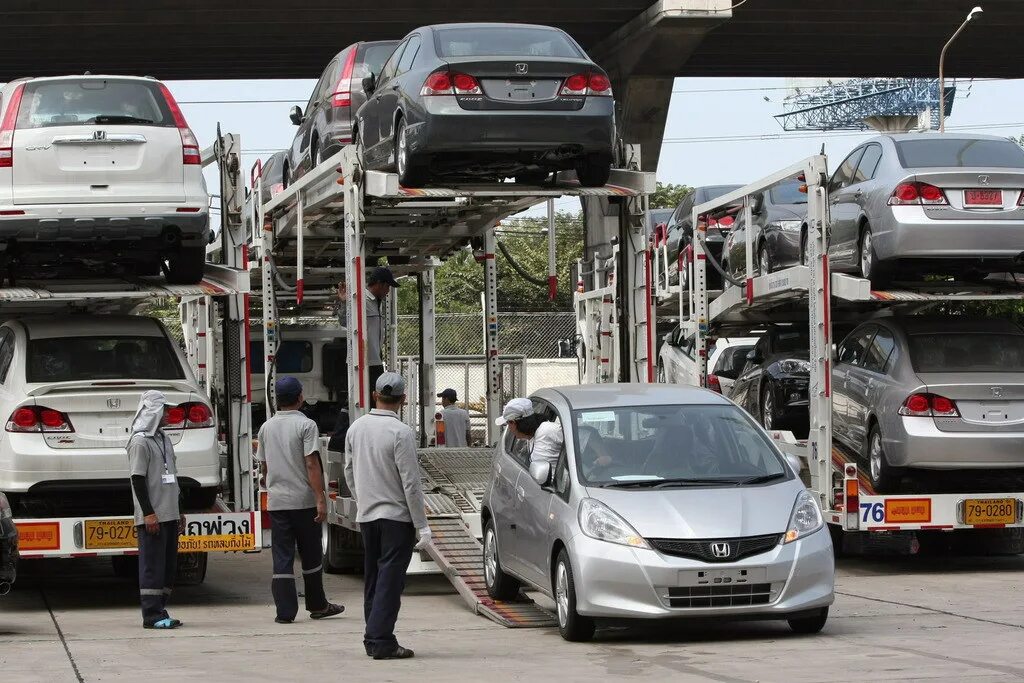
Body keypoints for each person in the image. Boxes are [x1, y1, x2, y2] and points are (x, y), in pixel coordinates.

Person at [344, 372, 430, 660]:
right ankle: (381, 640)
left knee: (374, 578)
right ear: (403, 400)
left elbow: (348, 471)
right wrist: (422, 525)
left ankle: (373, 636)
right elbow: (411, 483)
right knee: (390, 582)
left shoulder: (356, 428)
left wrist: (363, 500)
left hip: (368, 517)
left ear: (374, 395)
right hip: (396, 519)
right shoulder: (401, 432)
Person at [257, 376, 344, 625]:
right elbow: (311, 463)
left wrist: (268, 483)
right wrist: (320, 498)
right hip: (303, 502)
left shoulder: (266, 427)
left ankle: (285, 612)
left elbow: (264, 466)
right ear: (300, 398)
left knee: (282, 557)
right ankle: (317, 605)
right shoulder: (306, 426)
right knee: (311, 554)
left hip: (278, 504)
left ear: (277, 400)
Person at [127, 390, 185, 630]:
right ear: (154, 411)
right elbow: (137, 479)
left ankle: (161, 609)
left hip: (169, 514)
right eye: (165, 410)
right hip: (153, 516)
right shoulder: (140, 442)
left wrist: (179, 510)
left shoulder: (163, 439)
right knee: (152, 565)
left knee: (168, 566)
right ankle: (151, 615)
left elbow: (173, 477)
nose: (169, 414)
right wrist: (149, 512)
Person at [336, 266, 401, 407]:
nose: (388, 291)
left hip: (374, 360)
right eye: (387, 286)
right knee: (365, 401)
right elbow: (344, 322)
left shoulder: (376, 302)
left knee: (373, 401)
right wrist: (344, 303)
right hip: (364, 361)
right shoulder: (361, 299)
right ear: (380, 284)